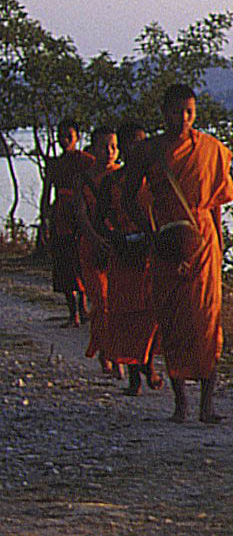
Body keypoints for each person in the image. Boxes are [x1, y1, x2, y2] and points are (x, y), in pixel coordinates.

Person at [123, 84, 233, 423]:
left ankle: (207, 405)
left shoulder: (211, 149)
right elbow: (129, 198)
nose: (183, 119)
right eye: (176, 112)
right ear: (164, 113)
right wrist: (152, 234)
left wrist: (217, 245)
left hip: (203, 241)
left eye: (189, 112)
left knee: (207, 321)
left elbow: (215, 203)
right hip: (166, 241)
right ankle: (181, 403)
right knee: (172, 320)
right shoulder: (147, 151)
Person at [96, 122, 163, 396]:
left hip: (152, 251)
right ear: (123, 147)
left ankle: (149, 362)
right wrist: (116, 238)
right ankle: (135, 376)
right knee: (127, 314)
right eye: (132, 143)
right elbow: (100, 219)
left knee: (154, 312)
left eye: (142, 142)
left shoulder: (156, 179)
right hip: (124, 253)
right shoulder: (112, 181)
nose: (137, 148)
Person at [74, 126, 122, 377]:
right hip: (91, 246)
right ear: (93, 149)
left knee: (117, 303)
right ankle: (107, 353)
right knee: (101, 302)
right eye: (104, 146)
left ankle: (114, 352)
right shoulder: (83, 179)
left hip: (118, 245)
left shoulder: (123, 175)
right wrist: (94, 239)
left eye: (113, 146)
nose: (110, 152)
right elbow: (80, 214)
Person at [40, 118, 94, 327]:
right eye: (61, 136)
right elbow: (46, 194)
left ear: (77, 137)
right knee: (64, 264)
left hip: (82, 215)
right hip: (61, 217)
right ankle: (73, 313)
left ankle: (84, 308)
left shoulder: (87, 161)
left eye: (69, 136)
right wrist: (44, 220)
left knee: (82, 262)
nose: (65, 140)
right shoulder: (55, 164)